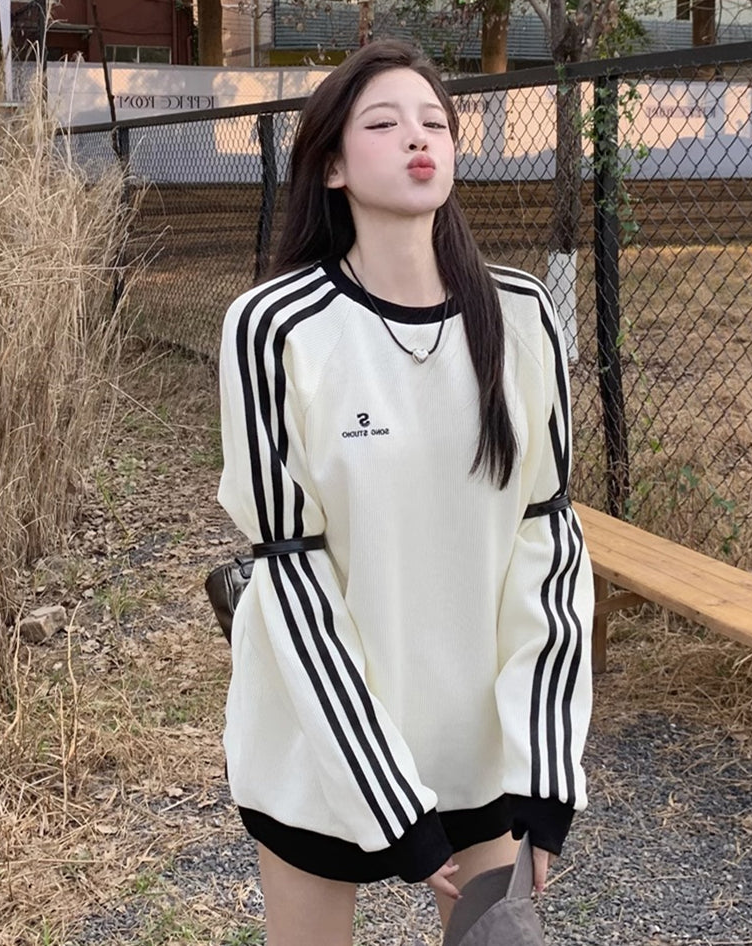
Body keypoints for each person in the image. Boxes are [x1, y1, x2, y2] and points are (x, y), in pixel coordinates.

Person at [217, 39, 594, 946]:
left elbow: (547, 544)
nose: (419, 138)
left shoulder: (522, 314)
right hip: (319, 745)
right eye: (384, 124)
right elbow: (291, 574)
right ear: (334, 166)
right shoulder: (275, 327)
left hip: (478, 749)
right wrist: (393, 805)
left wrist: (546, 777)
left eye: (435, 123)